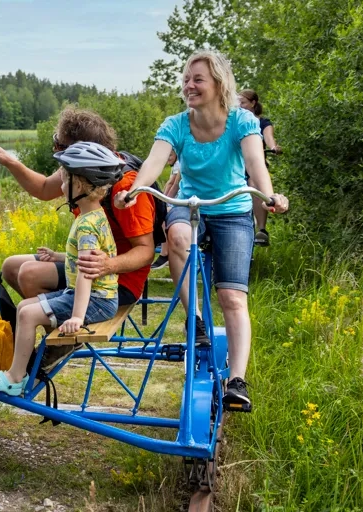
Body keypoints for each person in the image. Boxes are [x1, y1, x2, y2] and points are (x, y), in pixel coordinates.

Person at [116, 50, 289, 409]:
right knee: (177, 236)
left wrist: (269, 196)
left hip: (233, 210)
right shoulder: (176, 124)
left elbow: (256, 164)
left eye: (198, 79)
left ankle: (237, 381)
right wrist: (134, 190)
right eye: (186, 79)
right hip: (191, 206)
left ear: (219, 84)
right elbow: (153, 161)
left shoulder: (242, 121)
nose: (189, 85)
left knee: (232, 298)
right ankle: (194, 319)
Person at [0, 107, 154, 369]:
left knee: (29, 274)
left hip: (116, 283)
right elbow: (41, 188)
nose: (56, 152)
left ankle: (64, 337)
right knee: (11, 266)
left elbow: (146, 251)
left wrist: (108, 264)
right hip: (86, 265)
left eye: (59, 145)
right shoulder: (80, 173)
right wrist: (9, 160)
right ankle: (49, 324)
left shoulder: (124, 185)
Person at [0, 142, 123, 396]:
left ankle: (13, 379)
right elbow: (84, 257)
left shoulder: (86, 225)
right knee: (24, 307)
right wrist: (61, 256)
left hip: (96, 301)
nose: (61, 187)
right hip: (99, 297)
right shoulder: (95, 216)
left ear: (79, 185)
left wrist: (77, 317)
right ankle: (19, 369)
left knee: (27, 315)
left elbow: (87, 273)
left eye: (64, 181)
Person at [238, 89, 281, 246]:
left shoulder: (262, 123)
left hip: (254, 166)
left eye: (242, 103)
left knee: (254, 186)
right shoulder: (236, 121)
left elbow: (268, 138)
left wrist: (273, 147)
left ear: (253, 103)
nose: (239, 106)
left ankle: (261, 230)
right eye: (237, 103)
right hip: (236, 166)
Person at [151, 150, 182, 270]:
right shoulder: (177, 164)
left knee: (164, 214)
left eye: (170, 155)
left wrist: (163, 201)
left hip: (183, 200)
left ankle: (165, 252)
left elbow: (172, 184)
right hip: (180, 199)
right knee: (163, 210)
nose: (168, 158)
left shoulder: (179, 163)